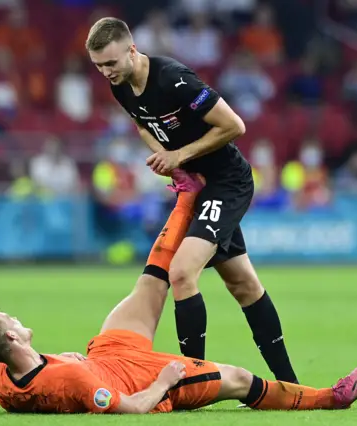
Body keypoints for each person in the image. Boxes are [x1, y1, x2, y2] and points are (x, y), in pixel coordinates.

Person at [0, 172, 357, 414]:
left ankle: (187, 192)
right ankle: (328, 399)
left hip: (105, 355)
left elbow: (36, 379)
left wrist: (60, 362)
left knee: (152, 278)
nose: (14, 318)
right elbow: (131, 408)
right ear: (12, 337)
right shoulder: (70, 379)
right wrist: (163, 382)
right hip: (139, 378)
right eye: (9, 321)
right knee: (240, 379)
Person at [85, 17, 299, 384]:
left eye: (111, 63)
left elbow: (234, 125)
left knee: (182, 273)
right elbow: (141, 122)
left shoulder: (174, 80)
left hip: (227, 182)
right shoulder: (121, 86)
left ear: (132, 51)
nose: (106, 72)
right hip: (199, 187)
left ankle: (194, 383)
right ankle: (292, 386)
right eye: (99, 66)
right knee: (244, 285)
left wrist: (179, 155)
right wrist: (165, 158)